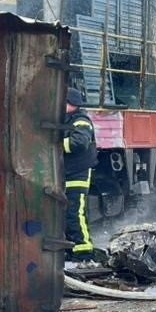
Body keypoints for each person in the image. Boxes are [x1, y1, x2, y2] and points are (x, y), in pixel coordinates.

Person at [62, 87, 97, 259]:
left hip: (77, 174)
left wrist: (54, 145)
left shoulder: (81, 121)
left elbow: (79, 143)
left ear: (72, 104)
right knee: (68, 214)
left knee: (75, 213)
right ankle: (71, 248)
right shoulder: (68, 119)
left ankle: (83, 251)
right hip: (67, 173)